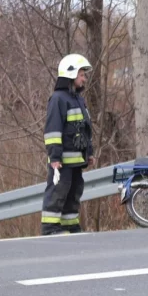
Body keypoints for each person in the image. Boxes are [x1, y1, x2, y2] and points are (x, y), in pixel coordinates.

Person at [41, 54, 94, 235]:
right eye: (81, 75)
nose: (84, 79)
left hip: (77, 160)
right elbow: (53, 131)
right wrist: (55, 157)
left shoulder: (78, 99)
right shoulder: (58, 99)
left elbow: (85, 128)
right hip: (62, 161)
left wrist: (89, 152)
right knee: (58, 192)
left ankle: (70, 226)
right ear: (71, 74)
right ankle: (50, 228)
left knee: (73, 193)